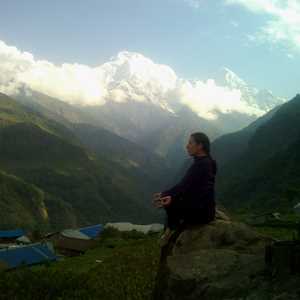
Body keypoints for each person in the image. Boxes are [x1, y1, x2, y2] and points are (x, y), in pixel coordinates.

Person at [152, 132, 217, 245]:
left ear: (200, 146)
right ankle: (172, 229)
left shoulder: (201, 165)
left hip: (202, 213)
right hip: (207, 208)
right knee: (172, 199)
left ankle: (171, 231)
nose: (187, 146)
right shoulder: (209, 162)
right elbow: (191, 187)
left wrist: (165, 195)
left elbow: (184, 186)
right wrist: (169, 195)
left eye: (190, 143)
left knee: (170, 203)